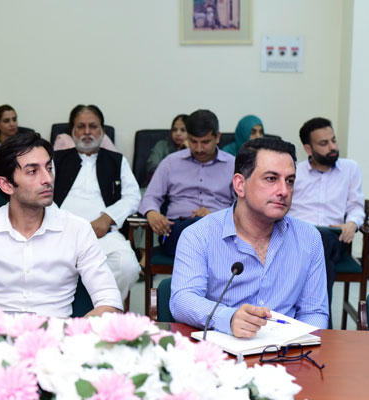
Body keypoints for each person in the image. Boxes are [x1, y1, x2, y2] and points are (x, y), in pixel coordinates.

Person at [0, 131, 122, 317]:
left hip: (55, 332)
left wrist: (75, 331)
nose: (47, 179)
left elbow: (110, 301)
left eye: (49, 168)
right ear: (6, 184)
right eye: (33, 171)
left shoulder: (77, 230)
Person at [170, 138, 329, 337]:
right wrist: (227, 318)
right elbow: (182, 300)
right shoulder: (199, 235)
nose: (284, 191)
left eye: (289, 181)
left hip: (287, 350)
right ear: (240, 185)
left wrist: (301, 342)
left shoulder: (309, 238)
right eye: (271, 179)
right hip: (222, 346)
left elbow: (314, 312)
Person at [53, 105, 141, 300]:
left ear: (102, 131)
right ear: (72, 131)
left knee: (127, 266)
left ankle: (104, 308)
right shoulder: (55, 160)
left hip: (103, 235)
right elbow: (42, 193)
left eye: (93, 126)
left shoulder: (116, 161)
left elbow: (133, 196)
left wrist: (107, 218)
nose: (87, 132)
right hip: (61, 234)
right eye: (81, 126)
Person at [288, 117, 364, 310]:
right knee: (318, 253)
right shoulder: (294, 172)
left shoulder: (350, 169)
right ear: (308, 149)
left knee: (321, 242)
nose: (332, 147)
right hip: (297, 236)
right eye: (324, 143)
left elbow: (356, 206)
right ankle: (319, 320)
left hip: (333, 238)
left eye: (333, 140)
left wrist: (352, 223)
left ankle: (305, 315)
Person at [139, 109, 235, 257]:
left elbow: (244, 206)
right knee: (193, 230)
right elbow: (150, 196)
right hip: (177, 231)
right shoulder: (171, 162)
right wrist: (152, 213)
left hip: (220, 229)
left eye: (205, 142)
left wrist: (217, 216)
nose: (199, 149)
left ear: (217, 137)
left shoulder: (233, 165)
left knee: (214, 228)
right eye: (193, 142)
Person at [146, 114, 189, 185]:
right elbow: (152, 168)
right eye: (174, 130)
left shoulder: (194, 150)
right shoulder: (161, 145)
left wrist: (189, 149)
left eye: (183, 130)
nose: (178, 133)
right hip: (160, 185)